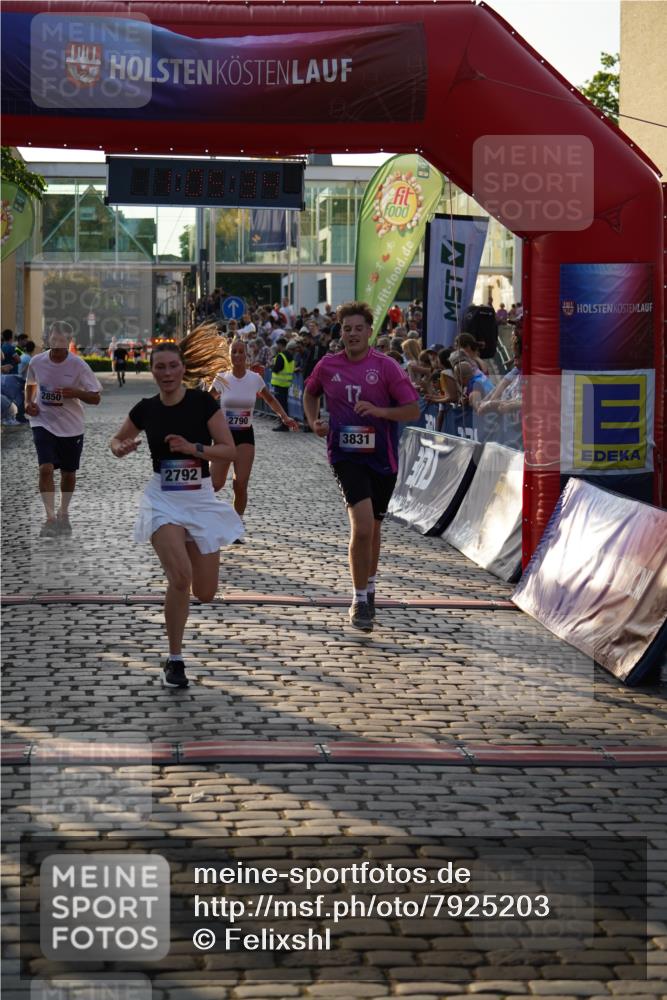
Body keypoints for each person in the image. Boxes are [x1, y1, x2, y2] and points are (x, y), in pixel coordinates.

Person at [110, 342, 242, 689]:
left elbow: (229, 449)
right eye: (160, 367)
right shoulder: (146, 409)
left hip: (199, 497)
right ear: (152, 370)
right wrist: (120, 448)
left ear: (183, 369)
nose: (166, 373)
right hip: (162, 498)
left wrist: (193, 449)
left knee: (206, 592)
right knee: (180, 577)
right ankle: (175, 659)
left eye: (172, 366)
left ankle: (176, 649)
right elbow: (116, 440)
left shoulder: (202, 403)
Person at [303, 301, 420, 632]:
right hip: (345, 456)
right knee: (363, 525)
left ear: (370, 332)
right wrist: (313, 421)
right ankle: (358, 599)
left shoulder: (386, 367)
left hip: (382, 460)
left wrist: (381, 412)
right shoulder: (328, 365)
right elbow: (311, 395)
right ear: (340, 332)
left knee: (375, 529)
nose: (352, 334)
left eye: (358, 329)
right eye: (346, 329)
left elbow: (411, 410)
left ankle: (369, 589)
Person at [209, 339, 298, 533]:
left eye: (241, 352)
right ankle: (206, 517)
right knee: (214, 484)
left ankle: (237, 523)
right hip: (224, 436)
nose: (238, 356)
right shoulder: (222, 378)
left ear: (247, 355)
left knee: (240, 483)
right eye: (234, 352)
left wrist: (284, 416)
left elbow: (270, 399)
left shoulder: (254, 379)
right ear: (229, 355)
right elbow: (206, 402)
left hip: (245, 436)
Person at [25, 328, 102, 535]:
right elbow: (31, 383)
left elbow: (95, 398)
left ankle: (64, 511)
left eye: (62, 340)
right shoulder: (37, 362)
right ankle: (50, 517)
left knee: (69, 473)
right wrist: (28, 403)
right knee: (45, 469)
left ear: (69, 342)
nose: (58, 343)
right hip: (43, 421)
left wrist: (76, 392)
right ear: (48, 340)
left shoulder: (79, 365)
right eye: (54, 339)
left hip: (71, 426)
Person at [270, 338, 297, 431]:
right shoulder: (290, 356)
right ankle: (285, 424)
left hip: (279, 384)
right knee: (284, 405)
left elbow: (276, 369)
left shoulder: (281, 356)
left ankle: (284, 425)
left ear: (281, 345)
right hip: (286, 384)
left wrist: (272, 365)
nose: (276, 347)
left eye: (277, 345)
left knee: (280, 406)